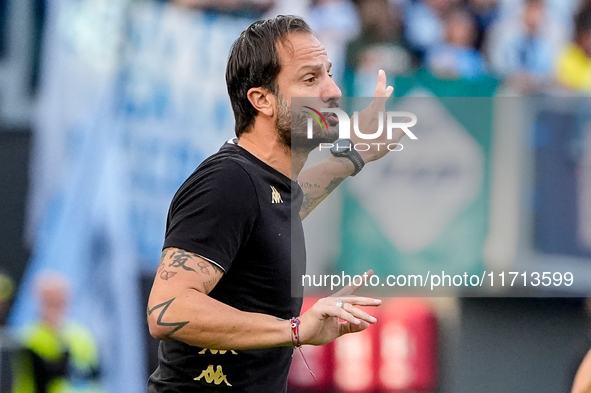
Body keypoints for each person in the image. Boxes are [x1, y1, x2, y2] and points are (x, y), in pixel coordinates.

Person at [146, 15, 407, 392]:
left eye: (329, 73)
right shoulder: (227, 182)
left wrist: (354, 154)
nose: (333, 90)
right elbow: (166, 310)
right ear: (262, 100)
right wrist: (296, 329)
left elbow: (278, 214)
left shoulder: (264, 185)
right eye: (310, 78)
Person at [12, 272, 102, 393]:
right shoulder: (27, 338)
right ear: (39, 301)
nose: (55, 306)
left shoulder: (82, 336)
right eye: (49, 301)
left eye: (59, 300)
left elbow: (93, 379)